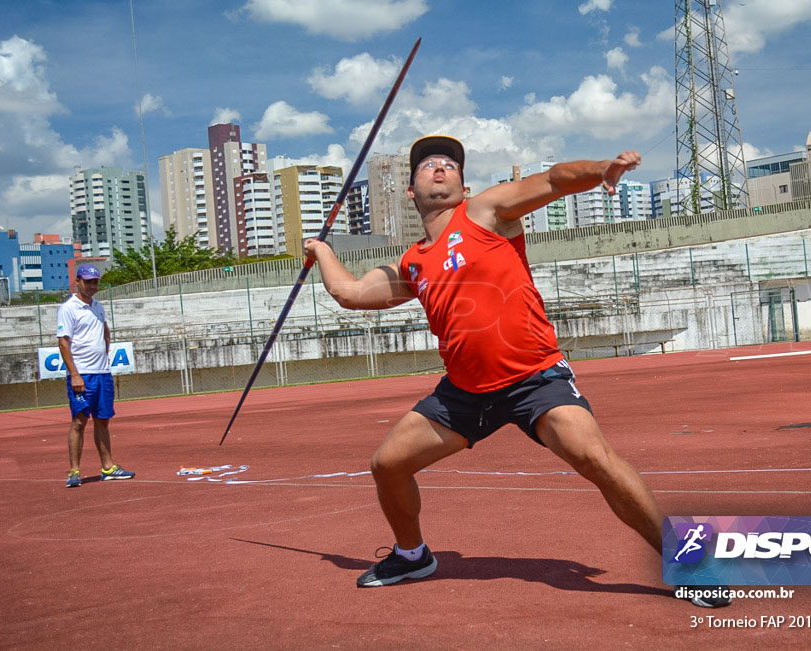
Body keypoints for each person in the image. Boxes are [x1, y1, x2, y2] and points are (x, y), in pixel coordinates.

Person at [305, 136, 730, 607]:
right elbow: (352, 292)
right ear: (411, 189)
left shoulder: (486, 213)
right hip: (465, 393)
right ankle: (412, 555)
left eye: (450, 164)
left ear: (464, 185)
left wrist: (600, 170)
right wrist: (321, 250)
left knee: (596, 460)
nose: (440, 169)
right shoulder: (413, 263)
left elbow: (550, 181)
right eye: (428, 166)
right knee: (387, 464)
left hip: (535, 378)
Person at [57, 264, 135, 488]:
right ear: (78, 282)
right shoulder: (69, 308)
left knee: (103, 420)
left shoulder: (99, 307)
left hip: (102, 373)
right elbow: (63, 342)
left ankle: (108, 467)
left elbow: (104, 330)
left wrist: (105, 351)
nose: (92, 286)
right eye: (88, 281)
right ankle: (74, 471)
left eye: (95, 281)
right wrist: (75, 374)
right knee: (79, 421)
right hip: (83, 374)